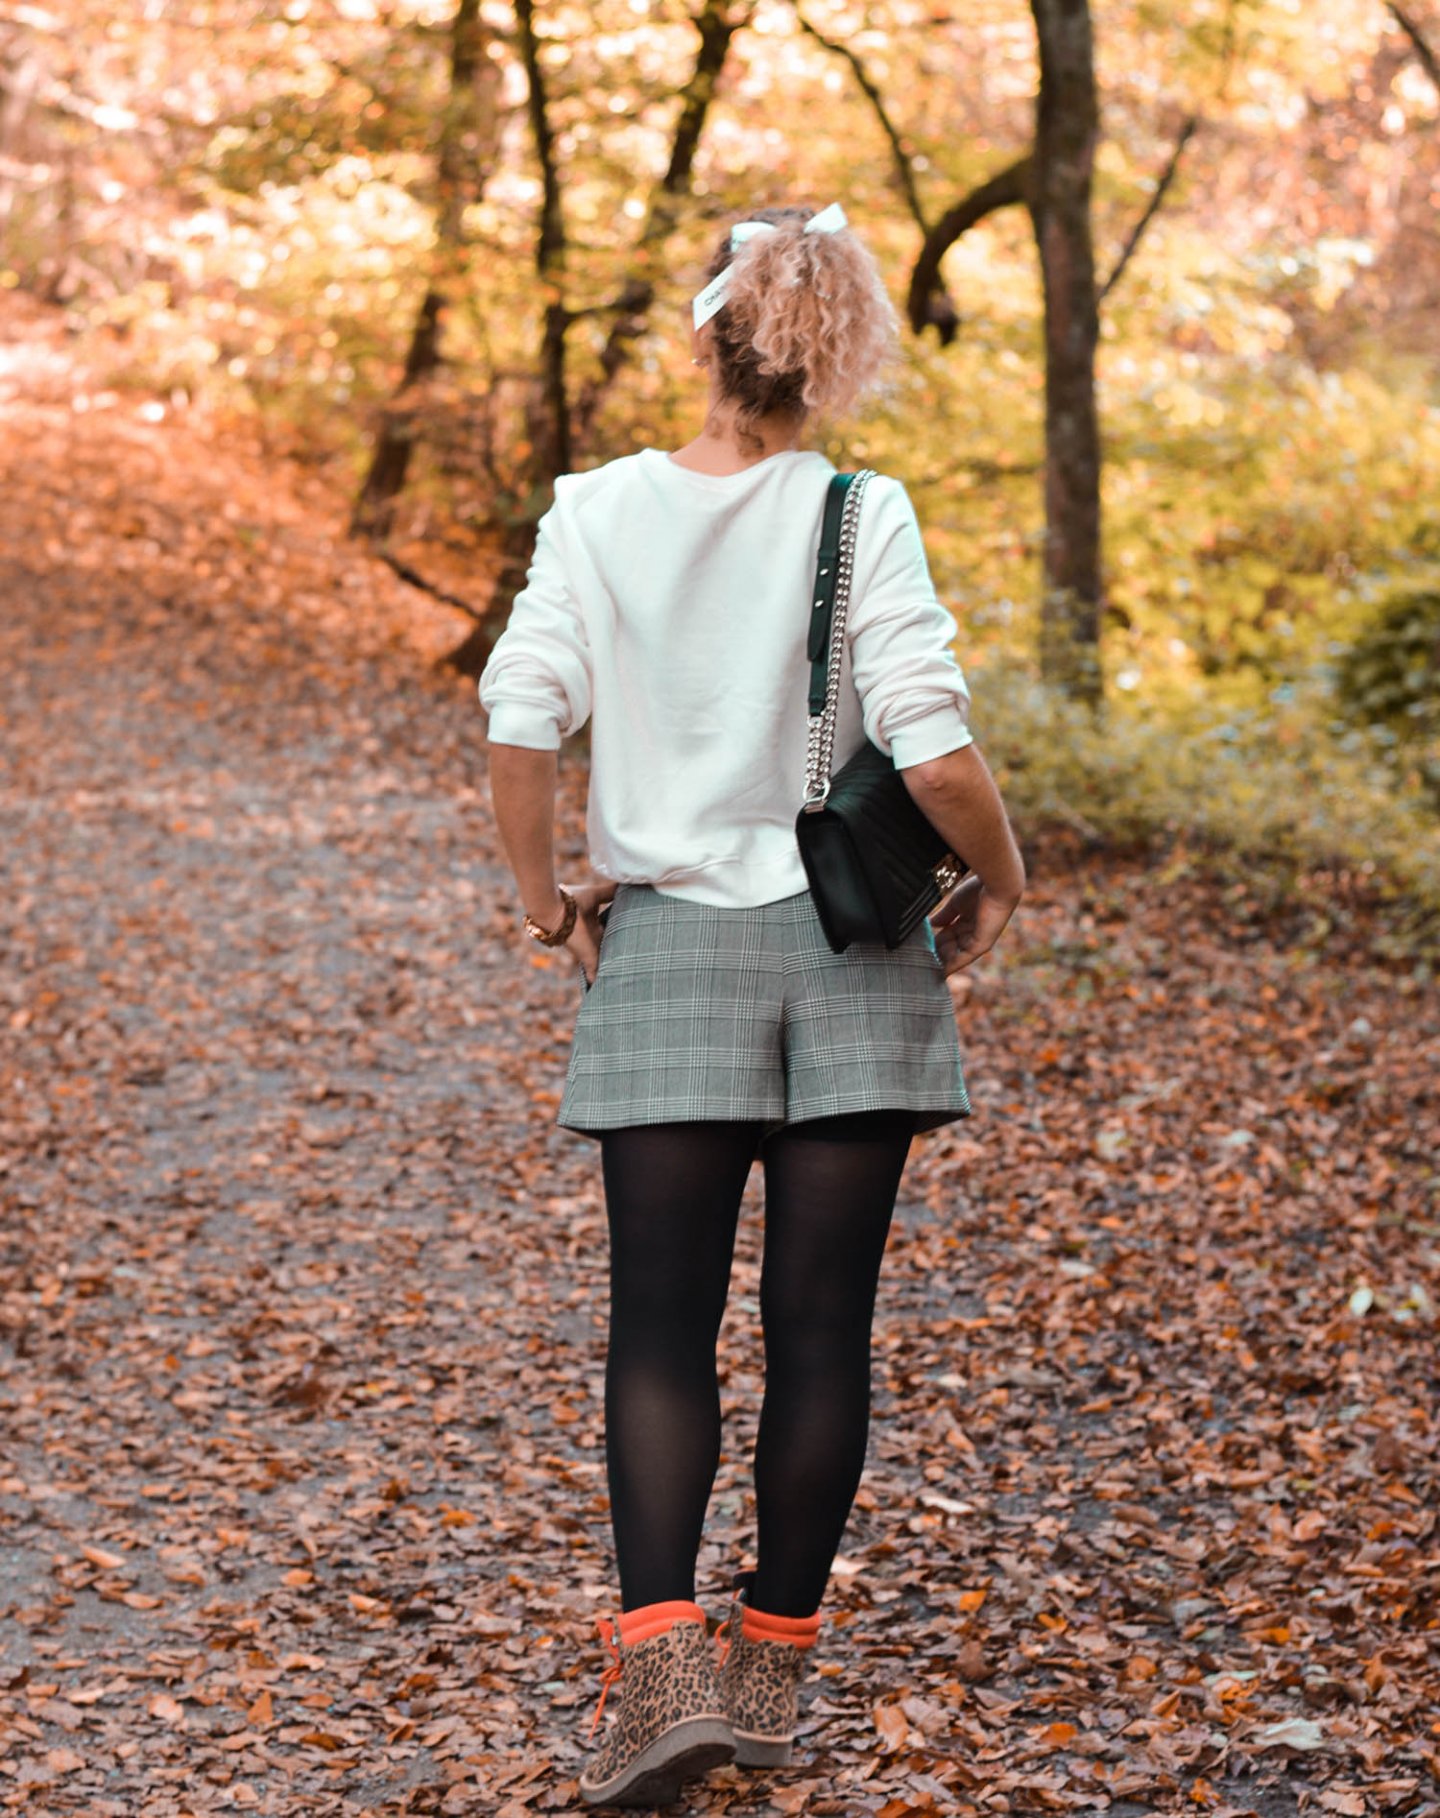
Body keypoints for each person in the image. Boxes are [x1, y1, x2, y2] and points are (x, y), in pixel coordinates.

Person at [479, 201, 1025, 1809]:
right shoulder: (864, 511)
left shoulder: (594, 512)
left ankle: (658, 1676)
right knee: (818, 1332)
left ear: (700, 338)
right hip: (853, 957)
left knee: (658, 1326)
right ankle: (773, 1668)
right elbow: (930, 746)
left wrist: (543, 900)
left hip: (660, 953)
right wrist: (1008, 877)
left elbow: (522, 724)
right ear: (831, 353)